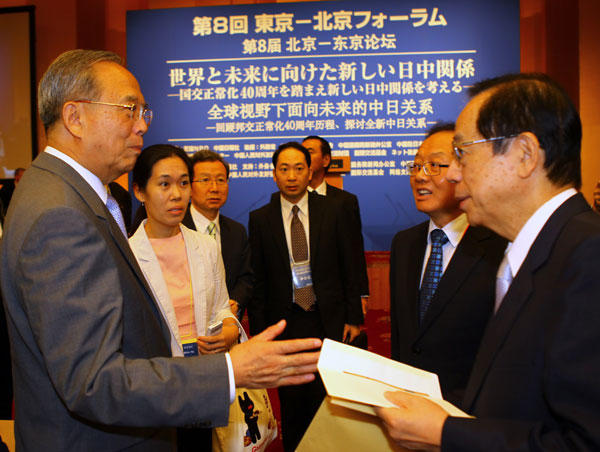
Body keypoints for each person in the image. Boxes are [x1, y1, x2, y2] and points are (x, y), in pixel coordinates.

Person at [0, 49, 320, 452]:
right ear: (75, 117)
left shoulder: (63, 194)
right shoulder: (61, 215)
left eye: (144, 113)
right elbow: (93, 383)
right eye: (128, 110)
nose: (141, 127)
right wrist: (228, 370)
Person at [375, 73, 600, 450]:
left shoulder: (587, 257)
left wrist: (446, 434)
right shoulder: (536, 250)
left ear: (524, 155)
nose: (454, 174)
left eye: (462, 154)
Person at [248, 141, 363, 451]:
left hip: (330, 318)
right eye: (284, 169)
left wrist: (355, 317)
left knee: (333, 397)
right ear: (274, 174)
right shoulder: (260, 218)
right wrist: (261, 333)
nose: (292, 176)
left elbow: (351, 264)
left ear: (310, 171)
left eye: (299, 168)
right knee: (293, 399)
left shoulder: (334, 209)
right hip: (286, 322)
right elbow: (258, 282)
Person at [129, 144, 241, 451]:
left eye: (183, 183)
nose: (177, 194)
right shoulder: (127, 255)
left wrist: (230, 330)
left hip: (200, 379)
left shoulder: (205, 246)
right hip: (153, 385)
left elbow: (221, 307)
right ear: (140, 191)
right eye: (164, 184)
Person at [390, 122, 506, 405]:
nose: (420, 177)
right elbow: (402, 337)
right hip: (410, 409)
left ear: (464, 171)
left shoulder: (498, 245)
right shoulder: (404, 244)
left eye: (434, 166)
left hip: (472, 414)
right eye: (416, 166)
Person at [182, 150, 253, 321]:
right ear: (189, 186)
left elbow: (246, 277)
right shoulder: (176, 227)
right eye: (205, 180)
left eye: (221, 180)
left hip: (227, 322)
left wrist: (235, 302)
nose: (214, 188)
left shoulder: (237, 231)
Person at [302, 135, 370, 315]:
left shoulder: (345, 201)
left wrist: (361, 294)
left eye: (309, 152)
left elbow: (354, 251)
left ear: (325, 160)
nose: (303, 157)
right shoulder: (286, 201)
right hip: (297, 297)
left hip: (334, 296)